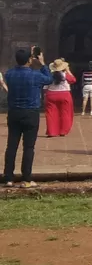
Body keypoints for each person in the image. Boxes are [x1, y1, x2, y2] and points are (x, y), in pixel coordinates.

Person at [3, 47, 52, 186]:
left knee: (12, 145)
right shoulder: (35, 75)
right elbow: (49, 79)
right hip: (31, 112)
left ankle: (8, 177)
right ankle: (26, 178)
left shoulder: (10, 74)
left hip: (14, 112)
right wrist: (42, 64)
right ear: (30, 60)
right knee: (28, 147)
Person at [44, 58, 76, 137]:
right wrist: (68, 70)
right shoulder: (65, 75)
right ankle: (63, 131)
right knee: (65, 113)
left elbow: (45, 87)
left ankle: (52, 131)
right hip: (64, 94)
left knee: (50, 113)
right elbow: (73, 80)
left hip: (51, 94)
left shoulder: (49, 75)